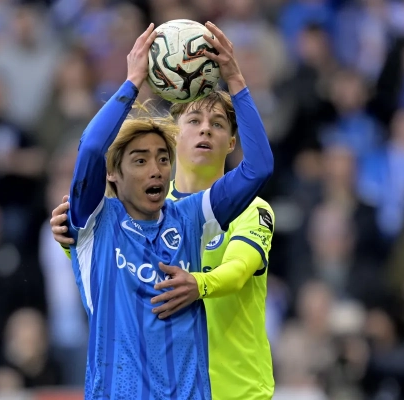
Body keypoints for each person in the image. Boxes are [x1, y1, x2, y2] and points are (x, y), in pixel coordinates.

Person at [51, 29, 276, 400]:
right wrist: (132, 83)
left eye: (218, 124)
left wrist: (236, 79)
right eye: (139, 160)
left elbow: (258, 171)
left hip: (233, 390)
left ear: (232, 141)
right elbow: (90, 151)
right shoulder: (107, 218)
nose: (206, 131)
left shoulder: (199, 216)